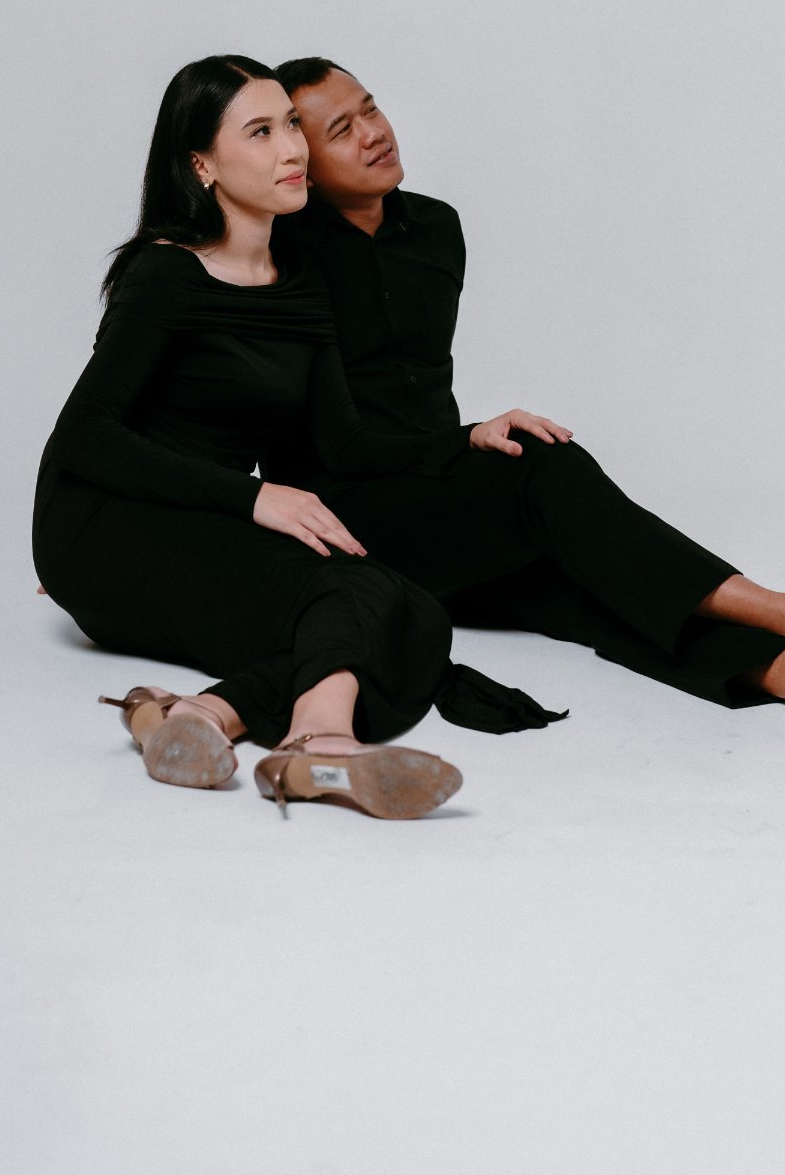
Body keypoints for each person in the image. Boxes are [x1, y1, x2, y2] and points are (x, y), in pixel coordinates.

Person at [270, 57, 785, 743]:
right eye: (341, 130)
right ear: (305, 165)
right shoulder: (285, 259)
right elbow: (332, 441)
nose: (373, 133)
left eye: (370, 107)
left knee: (594, 582)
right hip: (350, 523)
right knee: (540, 462)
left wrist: (460, 456)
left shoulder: (435, 228)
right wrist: (467, 442)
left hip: (446, 504)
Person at [32, 54, 561, 822]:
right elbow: (85, 438)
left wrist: (468, 437)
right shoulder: (166, 276)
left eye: (290, 125)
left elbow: (345, 445)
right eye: (260, 132)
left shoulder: (301, 281)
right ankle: (315, 739)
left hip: (206, 523)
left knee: (411, 609)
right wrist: (254, 499)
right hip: (105, 524)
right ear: (202, 165)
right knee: (351, 593)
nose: (292, 149)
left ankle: (203, 717)